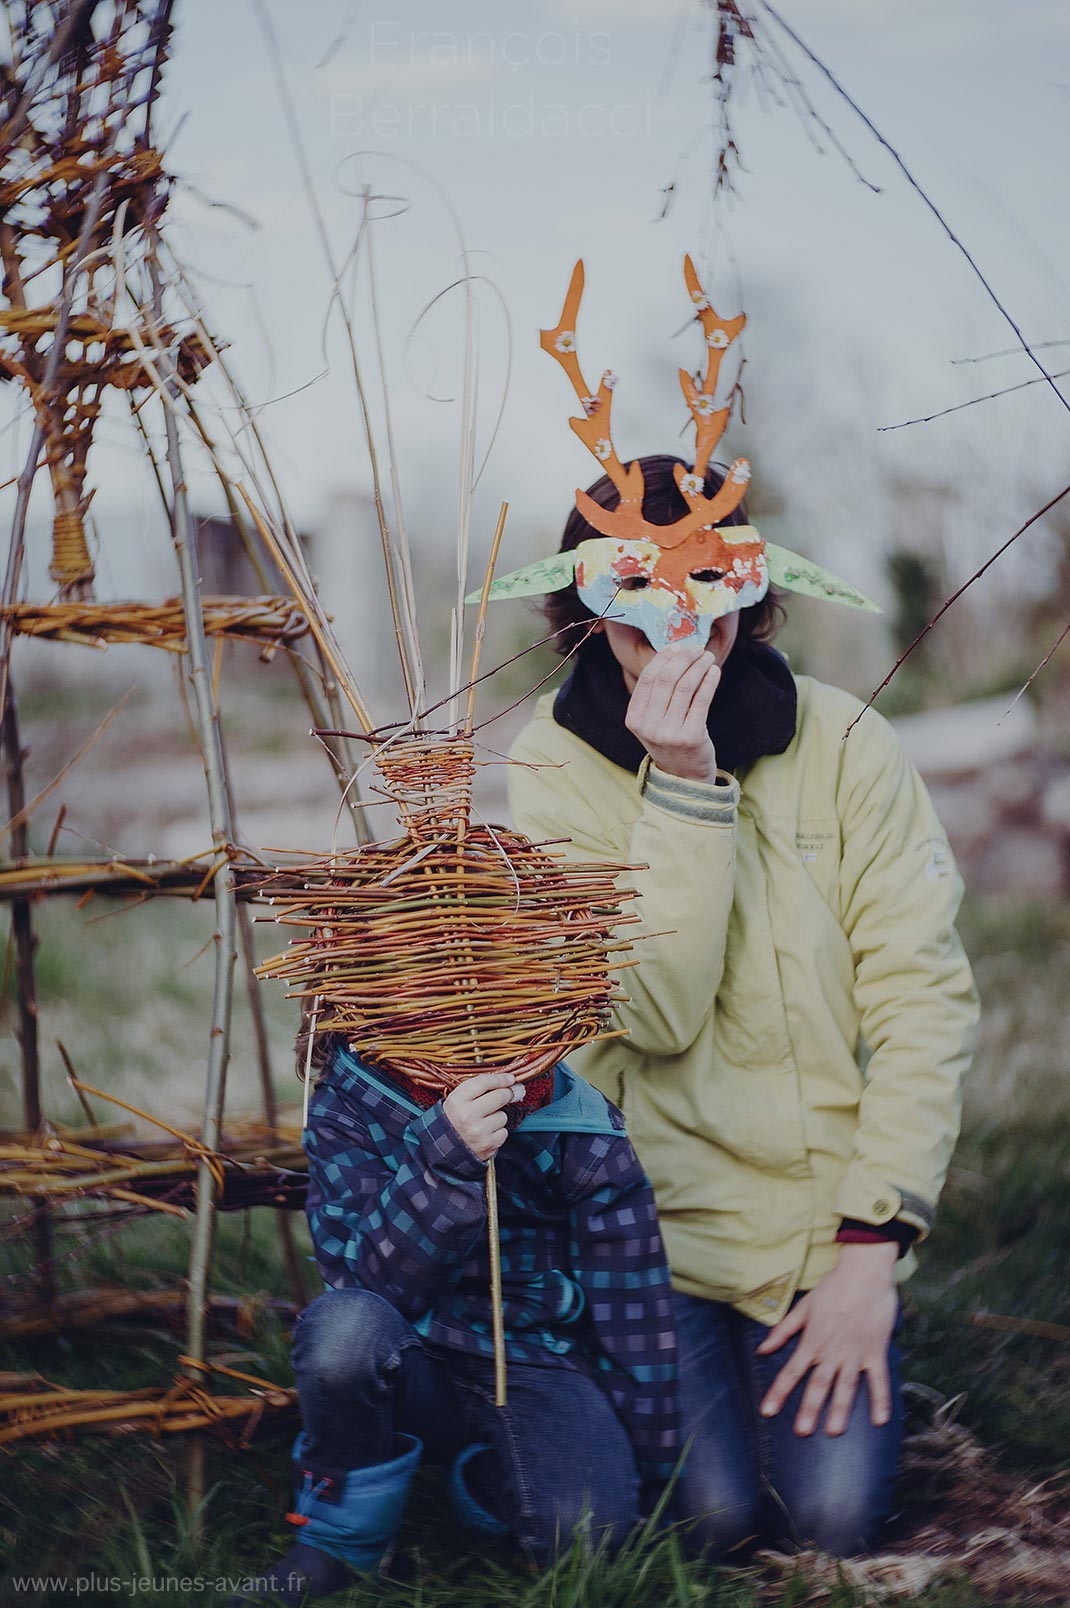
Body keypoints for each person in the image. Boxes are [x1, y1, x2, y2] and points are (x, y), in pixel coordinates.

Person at [492, 258, 979, 1558]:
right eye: (633, 615)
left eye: (701, 607)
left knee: (827, 1518)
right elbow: (643, 1017)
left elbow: (922, 997)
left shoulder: (843, 743)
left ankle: (840, 1331)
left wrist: (870, 1249)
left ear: (750, 596)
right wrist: (684, 790)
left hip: (818, 1232)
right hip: (646, 1239)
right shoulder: (547, 770)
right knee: (704, 1521)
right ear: (582, 615)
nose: (673, 644)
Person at [240, 1043, 679, 1604]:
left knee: (591, 1534)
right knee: (343, 1330)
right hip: (405, 1349)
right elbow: (371, 1289)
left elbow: (634, 1307)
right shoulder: (350, 1103)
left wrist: (660, 1477)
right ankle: (340, 1540)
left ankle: (482, 1480)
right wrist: (446, 1162)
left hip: (531, 1359)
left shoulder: (577, 1121)